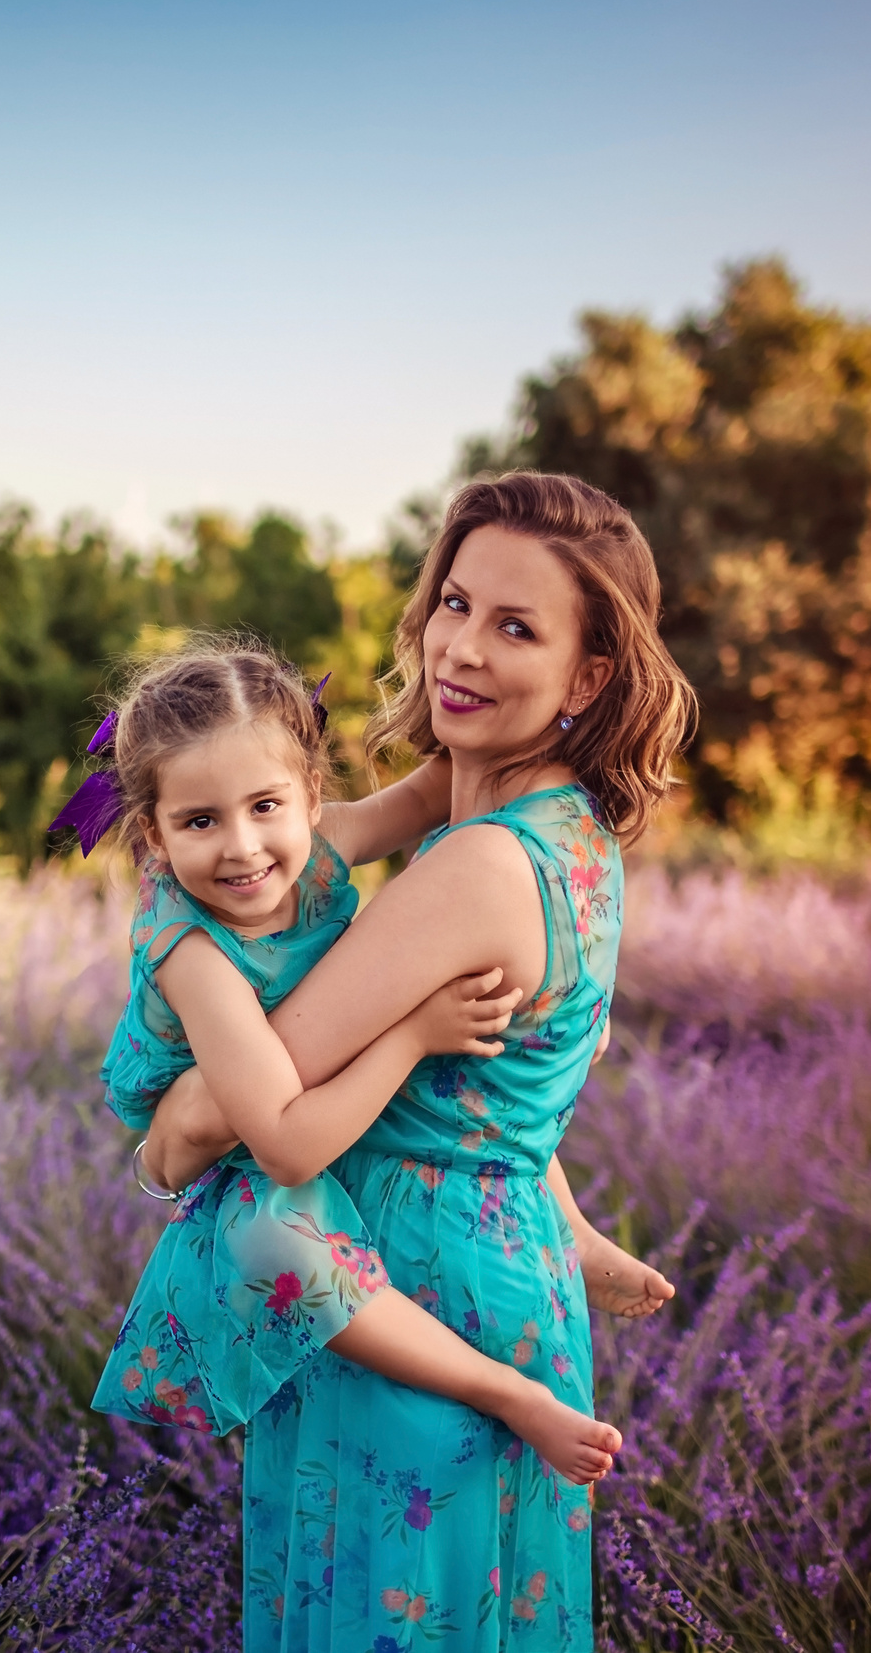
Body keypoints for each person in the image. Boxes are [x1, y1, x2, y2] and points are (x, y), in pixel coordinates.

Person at [142, 472, 694, 1651]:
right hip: (511, 1269)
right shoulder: (568, 830)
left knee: (395, 1615)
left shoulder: (479, 868)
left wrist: (165, 1135)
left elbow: (247, 1107)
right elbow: (311, 853)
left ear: (589, 677)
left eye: (515, 627)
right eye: (454, 602)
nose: (460, 648)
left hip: (413, 1285)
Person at [76, 637, 626, 1484]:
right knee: (288, 1250)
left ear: (310, 794)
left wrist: (564, 951)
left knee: (476, 1082)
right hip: (249, 1129)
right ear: (152, 832)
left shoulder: (319, 840)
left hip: (309, 1075)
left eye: (265, 805)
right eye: (199, 821)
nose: (241, 848)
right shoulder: (190, 945)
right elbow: (287, 1145)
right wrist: (409, 1033)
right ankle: (506, 1393)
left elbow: (431, 788)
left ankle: (577, 1231)